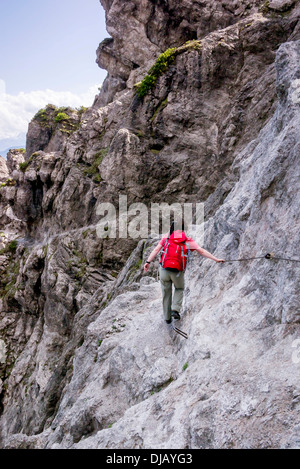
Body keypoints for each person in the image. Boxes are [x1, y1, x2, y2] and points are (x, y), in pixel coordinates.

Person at [143, 222, 225, 324]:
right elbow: (202, 251)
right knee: (179, 288)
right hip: (177, 272)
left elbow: (156, 250)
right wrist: (216, 259)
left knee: (166, 293)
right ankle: (175, 309)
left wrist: (147, 262)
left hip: (164, 270)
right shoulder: (187, 240)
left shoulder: (167, 238)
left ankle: (167, 318)